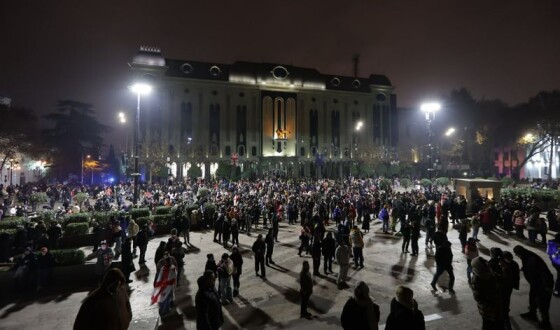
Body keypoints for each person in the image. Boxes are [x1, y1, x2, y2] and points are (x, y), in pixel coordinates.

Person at [513, 245, 554, 329]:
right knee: (532, 298)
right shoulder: (526, 256)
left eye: (517, 254)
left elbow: (544, 273)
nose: (517, 256)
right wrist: (524, 269)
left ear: (520, 253)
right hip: (535, 283)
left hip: (543, 285)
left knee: (543, 304)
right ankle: (532, 314)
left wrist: (547, 286)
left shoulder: (532, 259)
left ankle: (546, 323)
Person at [470, 256, 504, 329]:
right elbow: (478, 297)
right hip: (488, 309)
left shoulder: (487, 271)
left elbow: (496, 277)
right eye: (484, 263)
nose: (486, 263)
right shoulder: (477, 280)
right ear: (479, 266)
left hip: (496, 305)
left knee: (499, 324)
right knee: (488, 325)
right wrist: (490, 304)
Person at [501, 251, 520, 330]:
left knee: (506, 300)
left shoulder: (514, 264)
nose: (510, 259)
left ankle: (505, 316)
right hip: (503, 286)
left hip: (508, 286)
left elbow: (515, 276)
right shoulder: (501, 263)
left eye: (510, 258)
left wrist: (506, 269)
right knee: (503, 300)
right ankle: (504, 314)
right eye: (508, 258)